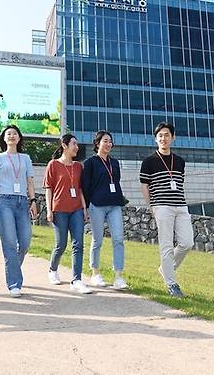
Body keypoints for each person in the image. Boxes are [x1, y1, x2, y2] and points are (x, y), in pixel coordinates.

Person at [139, 122, 193, 298]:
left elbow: (180, 183)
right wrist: (152, 207)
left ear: (173, 137)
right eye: (160, 135)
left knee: (187, 243)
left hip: (180, 205)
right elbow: (145, 186)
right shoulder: (148, 162)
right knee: (166, 245)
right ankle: (171, 283)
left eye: (167, 135)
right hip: (161, 206)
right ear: (156, 138)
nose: (163, 138)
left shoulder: (180, 161)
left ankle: (166, 268)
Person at [0, 125, 38, 297]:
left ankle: (13, 267)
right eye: (8, 133)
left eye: (15, 133)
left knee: (24, 243)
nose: (11, 136)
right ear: (3, 138)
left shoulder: (25, 158)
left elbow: (30, 181)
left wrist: (33, 201)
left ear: (19, 138)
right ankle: (14, 283)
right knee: (9, 243)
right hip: (4, 202)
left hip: (22, 202)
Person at [44, 134, 92, 294]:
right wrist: (49, 210)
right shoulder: (53, 165)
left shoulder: (79, 166)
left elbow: (79, 189)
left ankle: (76, 280)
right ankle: (52, 269)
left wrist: (84, 208)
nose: (77, 147)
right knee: (61, 244)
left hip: (77, 209)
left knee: (78, 244)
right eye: (74, 144)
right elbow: (48, 189)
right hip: (59, 210)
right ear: (64, 146)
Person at [81, 130, 128, 290]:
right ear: (97, 143)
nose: (108, 144)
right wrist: (86, 207)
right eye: (105, 141)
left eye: (110, 141)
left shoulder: (114, 163)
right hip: (97, 206)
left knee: (118, 240)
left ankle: (119, 277)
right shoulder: (90, 163)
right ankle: (95, 273)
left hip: (114, 205)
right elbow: (85, 186)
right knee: (97, 240)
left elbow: (117, 180)